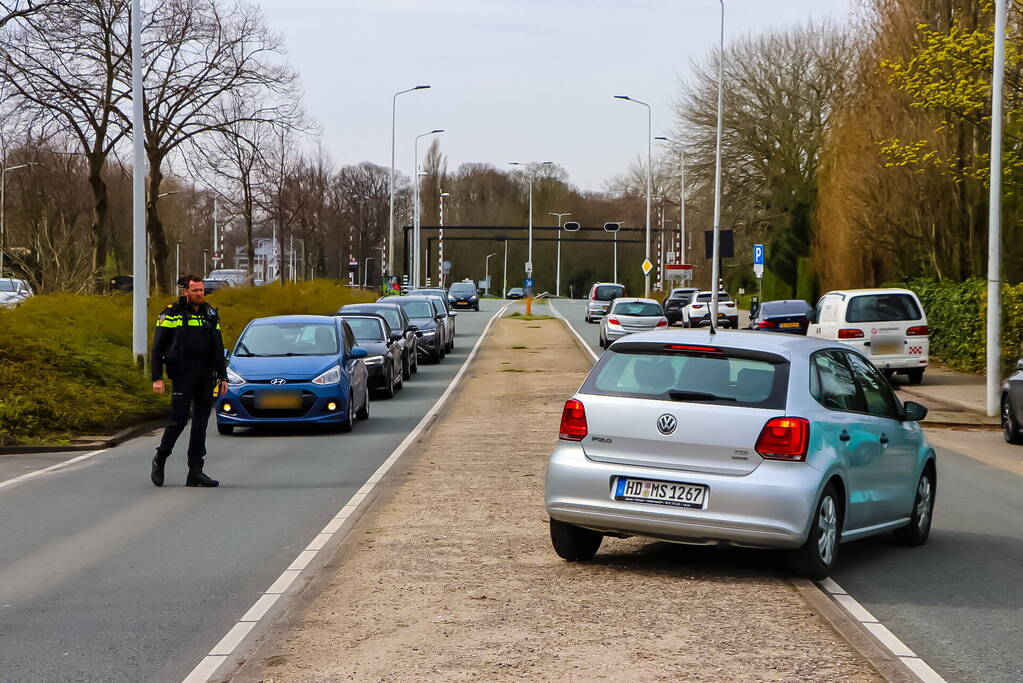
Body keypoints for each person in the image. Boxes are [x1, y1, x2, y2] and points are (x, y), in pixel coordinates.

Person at [150, 274, 228, 487]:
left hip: (205, 375)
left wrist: (223, 376)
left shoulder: (210, 314)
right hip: (182, 375)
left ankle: (195, 471)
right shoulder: (171, 313)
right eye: (194, 290)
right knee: (178, 421)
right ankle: (161, 458)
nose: (199, 294)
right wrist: (156, 377)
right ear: (185, 291)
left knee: (201, 424)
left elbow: (218, 347)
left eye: (201, 290)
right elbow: (157, 348)